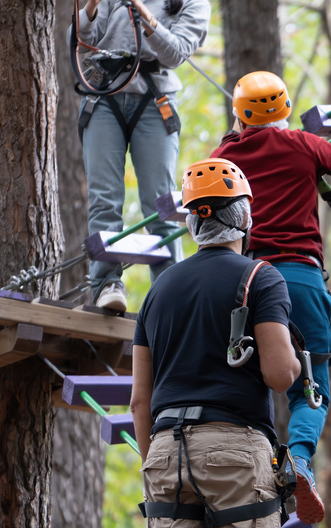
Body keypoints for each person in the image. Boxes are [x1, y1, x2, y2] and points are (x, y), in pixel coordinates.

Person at [130, 158, 301, 528]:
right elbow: (278, 374)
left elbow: (140, 398)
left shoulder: (158, 290)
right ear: (245, 217)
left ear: (191, 222)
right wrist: (292, 354)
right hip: (232, 445)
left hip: (164, 447)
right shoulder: (260, 278)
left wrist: (153, 463)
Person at [211, 71, 331, 524]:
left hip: (246, 280)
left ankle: (251, 473)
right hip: (300, 276)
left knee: (249, 380)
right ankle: (299, 459)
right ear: (282, 111)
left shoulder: (227, 155)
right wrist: (321, 152)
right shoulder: (303, 145)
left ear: (240, 114)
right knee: (310, 388)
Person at [73, 0, 211, 311]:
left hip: (155, 98)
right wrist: (92, 8)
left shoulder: (193, 3)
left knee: (161, 202)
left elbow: (175, 52)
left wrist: (143, 12)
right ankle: (106, 284)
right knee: (104, 198)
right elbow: (79, 42)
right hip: (104, 96)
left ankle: (171, 293)